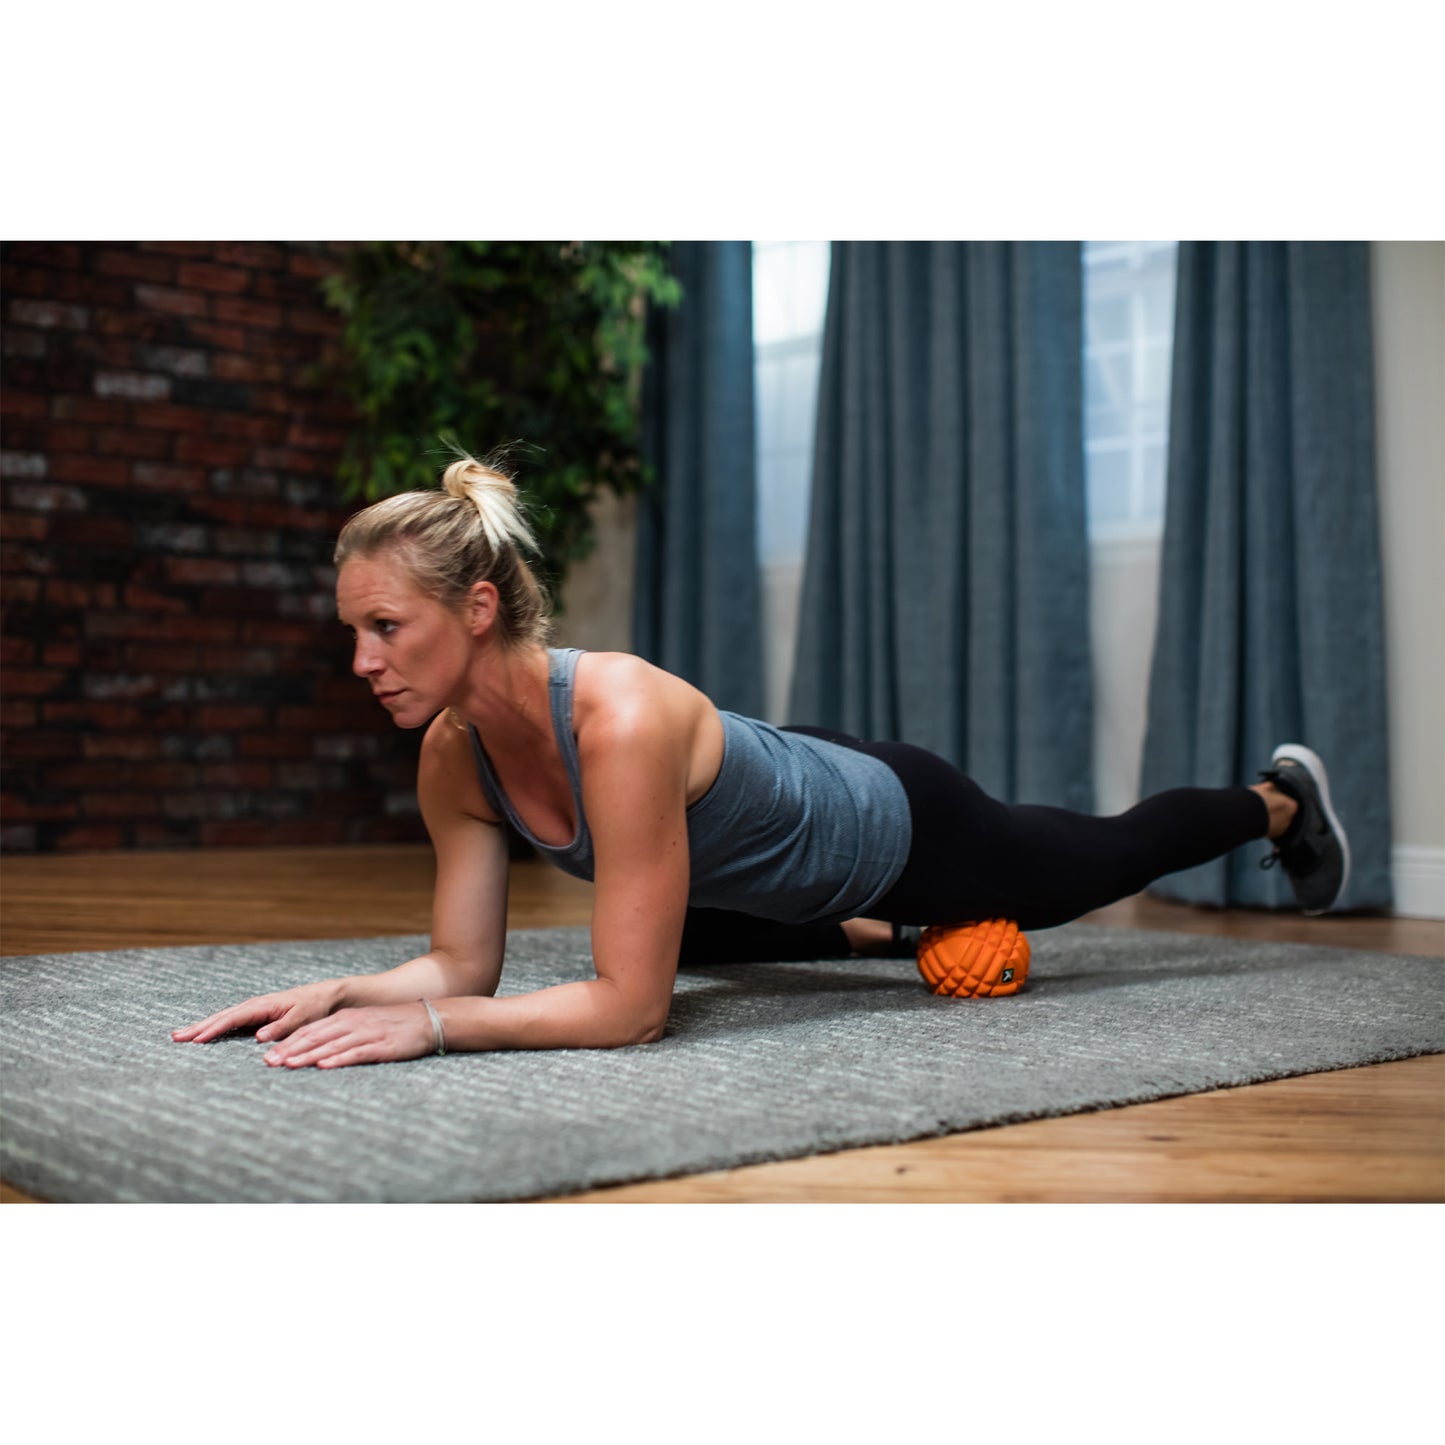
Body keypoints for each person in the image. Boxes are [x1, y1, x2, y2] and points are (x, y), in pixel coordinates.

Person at [172, 451, 1351, 1069]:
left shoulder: (617, 718)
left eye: (386, 627)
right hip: (769, 825)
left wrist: (434, 1032)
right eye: (353, 633)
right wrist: (348, 991)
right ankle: (874, 938)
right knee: (665, 916)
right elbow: (462, 963)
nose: (363, 660)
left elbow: (630, 1014)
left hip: (894, 823)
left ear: (477, 606)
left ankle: (1273, 800)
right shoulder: (453, 755)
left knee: (1087, 859)